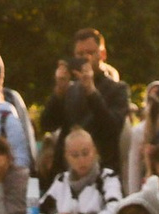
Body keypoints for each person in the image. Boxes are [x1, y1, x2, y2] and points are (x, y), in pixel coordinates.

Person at [43, 29, 131, 171]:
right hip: (67, 171)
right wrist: (59, 91)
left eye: (90, 53)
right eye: (80, 54)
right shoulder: (69, 90)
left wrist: (91, 91)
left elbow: (112, 128)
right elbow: (47, 124)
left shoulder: (118, 89)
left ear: (102, 54)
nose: (86, 58)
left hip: (102, 171)